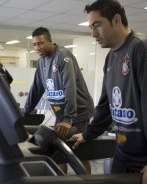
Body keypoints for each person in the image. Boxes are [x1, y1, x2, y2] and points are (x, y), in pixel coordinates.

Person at [71, 0, 147, 184]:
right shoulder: (111, 57)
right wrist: (88, 134)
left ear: (116, 19)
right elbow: (106, 105)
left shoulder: (143, 49)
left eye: (97, 25)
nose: (93, 33)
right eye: (90, 27)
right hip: (124, 155)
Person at [24, 27, 94, 174]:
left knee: (80, 153)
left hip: (78, 113)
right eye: (35, 44)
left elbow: (70, 88)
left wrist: (68, 119)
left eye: (41, 43)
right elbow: (36, 89)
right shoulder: (42, 62)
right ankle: (60, 179)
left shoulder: (63, 56)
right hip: (61, 115)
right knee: (58, 152)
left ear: (50, 41)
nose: (37, 47)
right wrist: (25, 112)